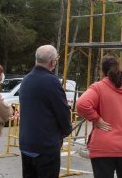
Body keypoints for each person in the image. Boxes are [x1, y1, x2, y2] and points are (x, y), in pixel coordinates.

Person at [76, 56, 122, 178]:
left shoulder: (98, 88)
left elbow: (81, 104)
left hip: (102, 147)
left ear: (102, 71)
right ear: (119, 68)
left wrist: (96, 119)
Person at [19, 45, 72, 178]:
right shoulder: (52, 81)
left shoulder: (26, 80)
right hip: (45, 146)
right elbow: (62, 111)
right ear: (53, 61)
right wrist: (66, 130)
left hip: (26, 143)